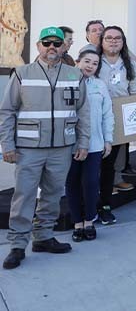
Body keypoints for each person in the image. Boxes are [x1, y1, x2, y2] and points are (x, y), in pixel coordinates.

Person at [1, 27, 90, 270]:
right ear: (39, 46)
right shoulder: (21, 74)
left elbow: (83, 111)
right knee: (24, 196)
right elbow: (7, 111)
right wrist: (7, 145)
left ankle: (42, 237)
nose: (52, 47)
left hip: (62, 147)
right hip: (29, 149)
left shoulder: (75, 74)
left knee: (52, 195)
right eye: (47, 43)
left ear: (64, 47)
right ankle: (18, 245)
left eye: (57, 43)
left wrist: (83, 142)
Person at [95, 25, 136, 224]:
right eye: (109, 38)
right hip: (93, 119)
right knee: (91, 166)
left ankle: (105, 206)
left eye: (118, 38)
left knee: (109, 166)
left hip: (117, 121)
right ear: (102, 41)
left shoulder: (130, 64)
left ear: (123, 42)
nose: (113, 41)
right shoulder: (94, 61)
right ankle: (88, 205)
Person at [67, 50, 113, 242]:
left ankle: (89, 220)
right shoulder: (67, 83)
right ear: (78, 62)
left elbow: (107, 114)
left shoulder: (100, 86)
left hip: (94, 143)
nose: (90, 66)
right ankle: (77, 222)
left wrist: (108, 139)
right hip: (70, 144)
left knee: (91, 183)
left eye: (94, 64)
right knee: (72, 183)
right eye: (87, 61)